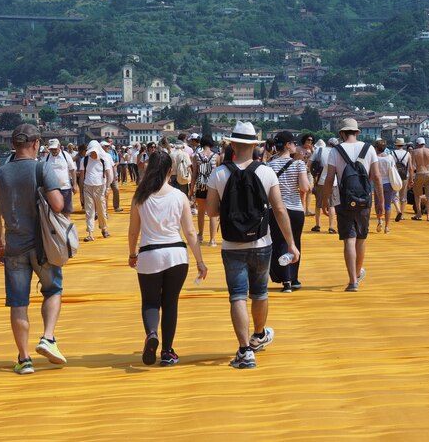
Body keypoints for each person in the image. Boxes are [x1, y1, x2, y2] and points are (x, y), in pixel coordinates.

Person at [206, 121, 300, 369]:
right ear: (255, 146)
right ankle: (258, 335)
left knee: (237, 296)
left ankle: (244, 350)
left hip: (232, 244)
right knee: (260, 292)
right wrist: (291, 244)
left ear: (233, 144)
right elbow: (279, 209)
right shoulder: (266, 172)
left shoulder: (219, 174)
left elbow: (211, 210)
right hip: (262, 242)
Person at [0, 124, 67, 375]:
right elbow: (57, 205)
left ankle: (24, 359)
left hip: (13, 246)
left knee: (18, 303)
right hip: (43, 245)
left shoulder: (0, 174)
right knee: (53, 289)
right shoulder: (42, 168)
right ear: (36, 144)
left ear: (13, 144)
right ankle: (48, 337)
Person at [128, 151, 208, 366]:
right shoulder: (179, 196)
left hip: (149, 254)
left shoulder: (140, 197)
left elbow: (133, 232)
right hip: (177, 255)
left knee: (150, 302)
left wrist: (132, 253)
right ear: (170, 172)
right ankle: (167, 351)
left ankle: (152, 333)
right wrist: (200, 261)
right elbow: (190, 232)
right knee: (170, 302)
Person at [322, 118, 384, 292]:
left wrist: (326, 200)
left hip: (345, 199)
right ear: (357, 132)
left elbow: (329, 179)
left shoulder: (335, 151)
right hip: (365, 199)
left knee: (349, 239)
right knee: (361, 238)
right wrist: (381, 200)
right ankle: (357, 273)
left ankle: (352, 282)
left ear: (342, 133)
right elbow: (377, 177)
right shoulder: (369, 148)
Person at [267, 131, 310, 293]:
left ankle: (285, 280)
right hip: (295, 208)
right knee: (294, 242)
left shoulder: (269, 165)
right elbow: (305, 187)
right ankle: (293, 278)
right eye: (293, 142)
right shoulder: (298, 164)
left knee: (279, 242)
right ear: (287, 145)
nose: (295, 145)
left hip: (275, 208)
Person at [78, 140, 113, 242]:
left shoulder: (103, 160)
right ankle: (90, 233)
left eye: (94, 151)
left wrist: (107, 188)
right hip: (87, 187)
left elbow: (109, 175)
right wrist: (81, 192)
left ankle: (104, 229)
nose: (92, 154)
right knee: (89, 211)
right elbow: (81, 176)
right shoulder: (84, 160)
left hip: (100, 187)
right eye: (91, 151)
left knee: (101, 210)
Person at [190, 135, 218, 246]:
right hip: (212, 187)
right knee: (213, 214)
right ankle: (212, 240)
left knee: (201, 211)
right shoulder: (217, 156)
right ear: (211, 144)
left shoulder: (197, 156)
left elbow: (194, 175)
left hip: (200, 186)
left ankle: (200, 235)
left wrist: (191, 190)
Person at [43, 139, 78, 219]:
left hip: (65, 188)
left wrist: (75, 184)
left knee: (66, 212)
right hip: (52, 190)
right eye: (51, 149)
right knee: (54, 212)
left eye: (55, 149)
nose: (53, 151)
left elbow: (72, 170)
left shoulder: (66, 156)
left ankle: (66, 230)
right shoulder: (47, 158)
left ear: (59, 147)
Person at [310, 138, 338, 234]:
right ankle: (331, 227)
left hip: (320, 181)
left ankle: (317, 225)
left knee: (318, 204)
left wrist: (314, 176)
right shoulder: (337, 153)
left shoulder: (319, 150)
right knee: (331, 205)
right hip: (333, 182)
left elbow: (309, 164)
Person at [373, 139, 395, 234]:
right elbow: (393, 169)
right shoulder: (390, 157)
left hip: (378, 184)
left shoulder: (375, 158)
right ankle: (387, 227)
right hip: (388, 183)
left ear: (376, 147)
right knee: (388, 205)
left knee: (378, 204)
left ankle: (379, 220)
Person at [391, 138, 413, 222]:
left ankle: (398, 211)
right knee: (403, 196)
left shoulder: (392, 153)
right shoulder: (407, 154)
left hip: (395, 177)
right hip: (404, 177)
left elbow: (391, 166)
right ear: (403, 145)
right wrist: (411, 179)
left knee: (395, 194)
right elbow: (410, 168)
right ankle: (402, 214)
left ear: (396, 145)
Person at [101, 140, 123, 212]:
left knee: (116, 189)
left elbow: (113, 166)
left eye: (109, 146)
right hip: (103, 178)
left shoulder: (109, 155)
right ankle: (105, 210)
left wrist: (115, 174)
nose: (108, 147)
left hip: (112, 177)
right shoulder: (99, 155)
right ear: (102, 147)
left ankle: (116, 207)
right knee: (105, 194)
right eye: (107, 146)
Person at [297, 134, 315, 216]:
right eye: (308, 140)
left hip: (309, 171)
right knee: (302, 191)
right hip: (300, 171)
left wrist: (313, 151)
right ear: (304, 140)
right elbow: (294, 160)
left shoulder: (312, 150)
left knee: (310, 189)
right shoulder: (298, 149)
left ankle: (307, 209)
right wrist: (299, 156)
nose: (310, 142)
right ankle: (302, 209)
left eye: (311, 140)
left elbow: (316, 159)